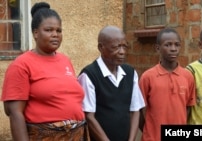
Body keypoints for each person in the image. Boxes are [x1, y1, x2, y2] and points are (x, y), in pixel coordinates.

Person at [1, 2, 89, 141]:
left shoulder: (65, 60)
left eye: (59, 30)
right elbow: (14, 113)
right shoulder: (21, 65)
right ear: (36, 33)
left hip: (75, 135)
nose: (55, 34)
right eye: (49, 30)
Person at [78, 25, 145, 141]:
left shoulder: (130, 73)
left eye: (125, 47)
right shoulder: (89, 75)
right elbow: (88, 116)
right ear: (101, 47)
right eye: (116, 47)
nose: (122, 52)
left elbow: (135, 110)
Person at [139, 28, 196, 141]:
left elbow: (188, 107)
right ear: (157, 48)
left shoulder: (187, 76)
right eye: (168, 45)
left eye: (177, 45)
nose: (173, 49)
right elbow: (138, 109)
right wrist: (149, 131)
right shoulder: (148, 77)